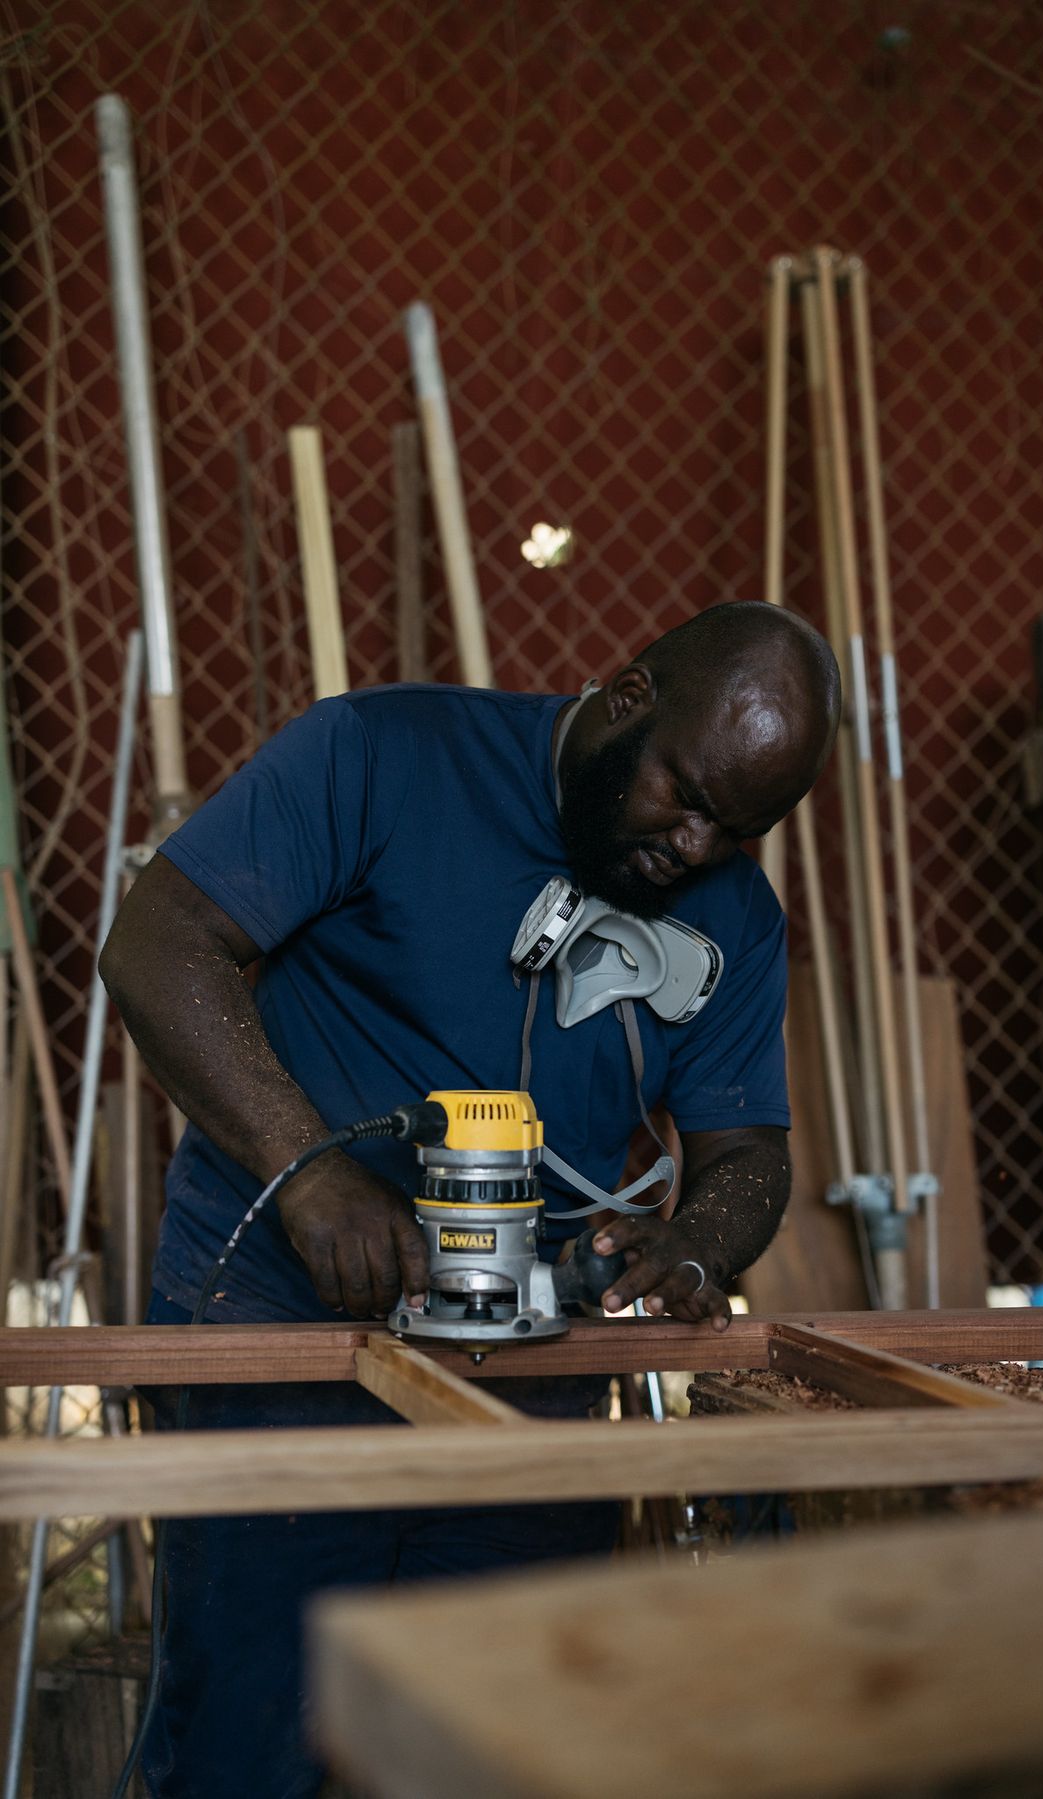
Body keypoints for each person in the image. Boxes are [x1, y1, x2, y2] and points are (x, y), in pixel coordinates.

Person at [100, 598, 839, 1798]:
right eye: (685, 796)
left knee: (496, 1733)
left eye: (736, 828)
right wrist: (311, 1171)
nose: (696, 846)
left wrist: (699, 1242)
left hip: (529, 1363)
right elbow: (157, 942)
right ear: (624, 699)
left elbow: (749, 1150)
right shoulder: (379, 755)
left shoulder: (736, 918)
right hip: (290, 1317)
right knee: (252, 1728)